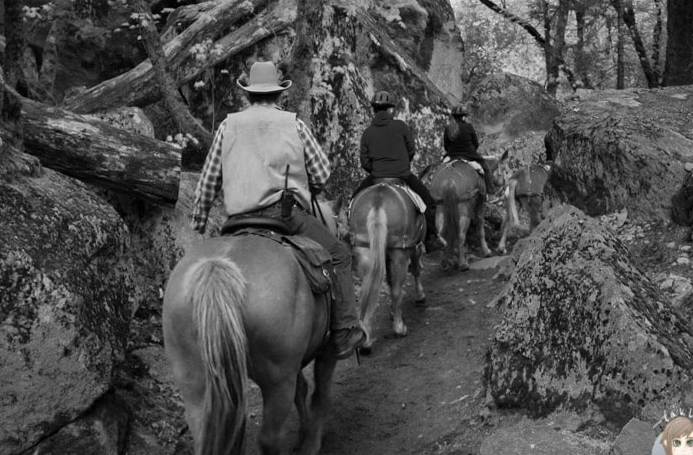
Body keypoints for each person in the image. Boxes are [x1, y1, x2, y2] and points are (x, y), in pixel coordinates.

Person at [191, 60, 365, 359]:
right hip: (283, 216)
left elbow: (208, 181)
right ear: (278, 94)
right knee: (339, 255)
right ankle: (344, 331)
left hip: (237, 220)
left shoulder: (227, 125)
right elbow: (322, 173)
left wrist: (198, 220)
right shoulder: (293, 123)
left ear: (248, 95)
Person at [352, 90, 444, 254]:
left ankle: (352, 237)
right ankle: (431, 239)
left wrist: (376, 171)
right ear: (390, 110)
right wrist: (402, 165)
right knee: (429, 203)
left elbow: (364, 162)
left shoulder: (367, 133)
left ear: (374, 109)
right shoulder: (400, 126)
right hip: (402, 175)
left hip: (376, 177)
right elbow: (411, 150)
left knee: (353, 202)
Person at [444, 104, 495, 195]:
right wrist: (470, 151)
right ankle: (490, 193)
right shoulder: (468, 126)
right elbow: (476, 144)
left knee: (438, 169)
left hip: (452, 156)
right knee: (487, 169)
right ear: (464, 116)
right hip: (469, 155)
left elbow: (446, 146)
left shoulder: (448, 128)